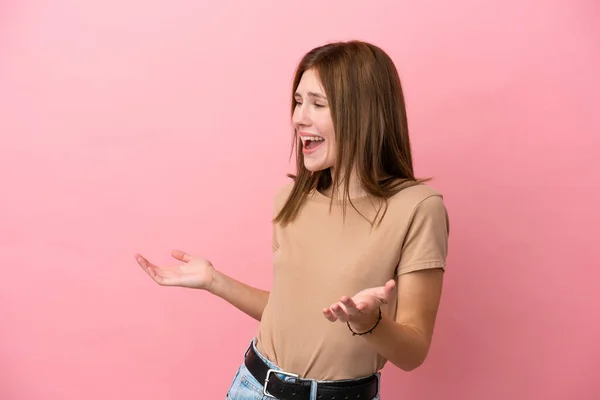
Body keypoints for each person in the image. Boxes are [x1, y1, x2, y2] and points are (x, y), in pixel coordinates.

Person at [135, 40, 449, 400]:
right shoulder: (291, 200)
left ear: (363, 112)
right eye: (298, 102)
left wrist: (368, 324)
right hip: (253, 387)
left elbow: (414, 351)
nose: (299, 117)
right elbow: (289, 311)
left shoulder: (418, 208)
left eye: (317, 103)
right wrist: (213, 280)